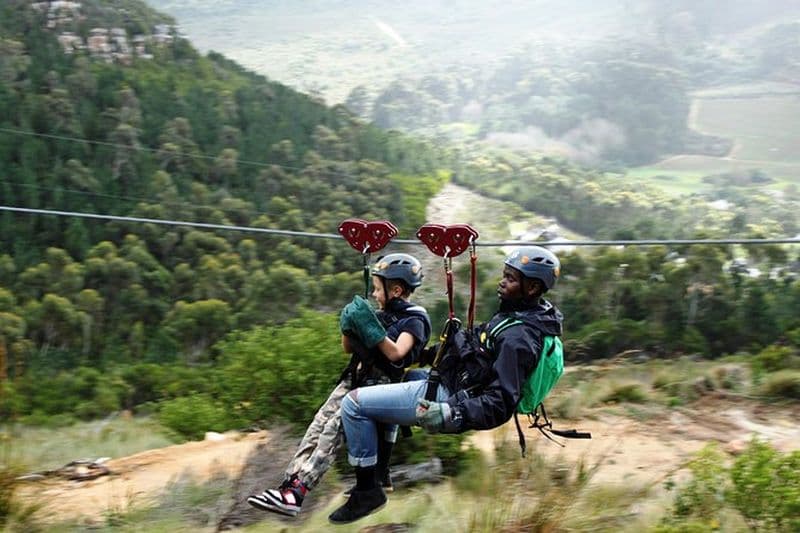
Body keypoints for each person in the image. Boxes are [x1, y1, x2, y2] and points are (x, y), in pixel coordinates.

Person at [328, 246, 563, 524]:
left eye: (510, 279)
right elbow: (476, 355)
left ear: (532, 287)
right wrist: (425, 354)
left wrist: (453, 413)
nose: (502, 282)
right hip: (452, 383)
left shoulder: (519, 338)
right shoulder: (516, 316)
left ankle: (367, 491)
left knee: (353, 404)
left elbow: (501, 402)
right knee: (399, 380)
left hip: (452, 400)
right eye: (504, 275)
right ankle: (380, 474)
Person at [247, 253, 431, 517]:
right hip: (354, 378)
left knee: (333, 430)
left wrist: (372, 329)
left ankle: (300, 490)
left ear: (396, 291)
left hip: (376, 388)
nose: (374, 294)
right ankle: (289, 484)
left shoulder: (414, 319)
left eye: (378, 289)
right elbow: (348, 348)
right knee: (317, 426)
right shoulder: (381, 314)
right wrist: (349, 327)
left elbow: (397, 354)